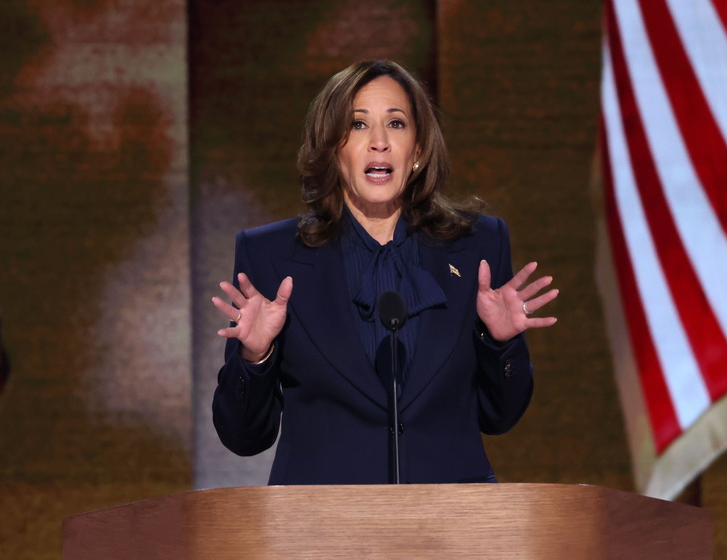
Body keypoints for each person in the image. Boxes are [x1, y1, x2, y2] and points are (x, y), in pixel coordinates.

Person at [211, 60, 558, 485]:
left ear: (418, 149)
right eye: (358, 125)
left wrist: (499, 344)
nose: (380, 143)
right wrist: (256, 356)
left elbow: (499, 417)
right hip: (321, 531)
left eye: (396, 124)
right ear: (332, 149)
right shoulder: (271, 255)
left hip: (451, 529)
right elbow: (244, 437)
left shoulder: (477, 246)